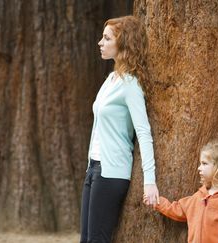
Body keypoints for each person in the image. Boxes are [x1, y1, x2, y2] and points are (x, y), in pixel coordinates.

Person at [80, 15, 159, 243]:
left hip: (112, 173)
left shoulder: (131, 85)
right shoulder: (112, 78)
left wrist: (149, 181)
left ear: (122, 43)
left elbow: (143, 133)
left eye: (106, 38)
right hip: (93, 169)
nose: (100, 43)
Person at [144, 140, 218, 243]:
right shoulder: (199, 196)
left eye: (204, 164)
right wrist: (157, 202)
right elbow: (177, 209)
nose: (199, 168)